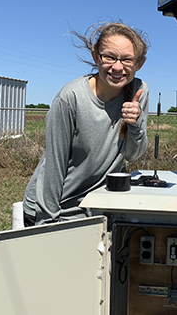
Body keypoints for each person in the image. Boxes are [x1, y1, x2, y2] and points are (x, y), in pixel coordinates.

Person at [23, 21, 150, 225]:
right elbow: (55, 164)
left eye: (127, 60)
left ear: (139, 63)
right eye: (109, 57)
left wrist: (135, 123)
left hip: (97, 206)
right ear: (95, 56)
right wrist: (47, 222)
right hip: (54, 209)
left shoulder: (138, 90)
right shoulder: (71, 97)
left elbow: (132, 155)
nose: (117, 67)